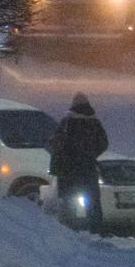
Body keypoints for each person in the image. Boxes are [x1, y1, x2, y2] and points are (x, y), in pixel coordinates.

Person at [47, 93, 110, 232]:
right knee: (92, 201)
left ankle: (70, 231)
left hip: (68, 168)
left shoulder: (68, 122)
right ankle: (95, 230)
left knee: (69, 201)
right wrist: (91, 153)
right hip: (88, 168)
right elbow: (104, 143)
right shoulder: (94, 123)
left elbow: (55, 143)